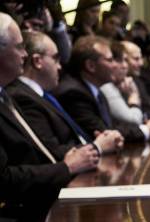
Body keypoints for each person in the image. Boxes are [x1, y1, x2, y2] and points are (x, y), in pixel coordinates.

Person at [0, 12, 98, 222]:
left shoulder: (5, 95)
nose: (24, 54)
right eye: (18, 47)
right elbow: (4, 180)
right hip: (22, 219)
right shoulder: (16, 94)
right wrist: (67, 166)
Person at [7, 31, 122, 160]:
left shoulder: (43, 94)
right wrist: (97, 147)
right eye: (55, 59)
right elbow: (50, 151)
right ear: (37, 61)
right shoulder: (22, 97)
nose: (60, 67)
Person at [54, 35, 150, 143]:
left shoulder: (96, 90)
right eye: (110, 60)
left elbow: (113, 127)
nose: (116, 65)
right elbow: (105, 134)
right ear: (91, 66)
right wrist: (147, 130)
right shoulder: (74, 94)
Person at [100, 41, 145, 125]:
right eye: (118, 60)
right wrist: (133, 96)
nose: (125, 66)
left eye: (125, 60)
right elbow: (134, 121)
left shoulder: (127, 82)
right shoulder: (106, 86)